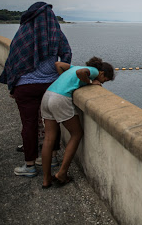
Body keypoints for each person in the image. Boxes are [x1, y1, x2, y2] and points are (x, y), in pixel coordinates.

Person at [0, 2, 72, 177]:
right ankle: (52, 159)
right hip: (51, 86)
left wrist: (12, 85)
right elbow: (67, 55)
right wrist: (57, 71)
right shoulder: (56, 33)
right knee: (52, 123)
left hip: (25, 87)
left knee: (28, 125)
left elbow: (12, 62)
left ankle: (29, 165)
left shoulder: (23, 32)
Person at [40, 56, 114, 188]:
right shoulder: (94, 71)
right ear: (102, 73)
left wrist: (67, 81)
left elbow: (58, 64)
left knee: (49, 139)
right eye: (105, 80)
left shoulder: (76, 66)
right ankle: (62, 173)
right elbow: (81, 74)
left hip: (48, 95)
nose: (103, 82)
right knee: (77, 134)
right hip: (60, 99)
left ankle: (46, 180)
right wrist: (91, 82)